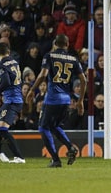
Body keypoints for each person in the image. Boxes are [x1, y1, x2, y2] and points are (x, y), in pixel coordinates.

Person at [27, 34, 86, 168]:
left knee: (43, 127)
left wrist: (32, 89)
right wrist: (81, 100)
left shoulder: (50, 56)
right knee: (54, 126)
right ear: (67, 45)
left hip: (52, 98)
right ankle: (70, 147)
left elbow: (43, 75)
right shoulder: (73, 59)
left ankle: (55, 159)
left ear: (55, 44)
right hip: (66, 99)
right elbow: (83, 79)